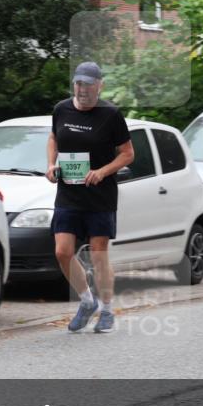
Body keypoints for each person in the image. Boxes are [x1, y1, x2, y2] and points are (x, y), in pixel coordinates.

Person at [46, 62, 135, 332]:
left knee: (98, 255)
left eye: (88, 84)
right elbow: (53, 138)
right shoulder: (62, 109)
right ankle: (87, 301)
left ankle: (107, 310)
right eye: (78, 83)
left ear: (100, 85)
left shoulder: (110, 115)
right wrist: (51, 165)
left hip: (99, 195)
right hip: (69, 193)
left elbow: (128, 153)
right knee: (62, 251)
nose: (82, 89)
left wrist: (102, 171)